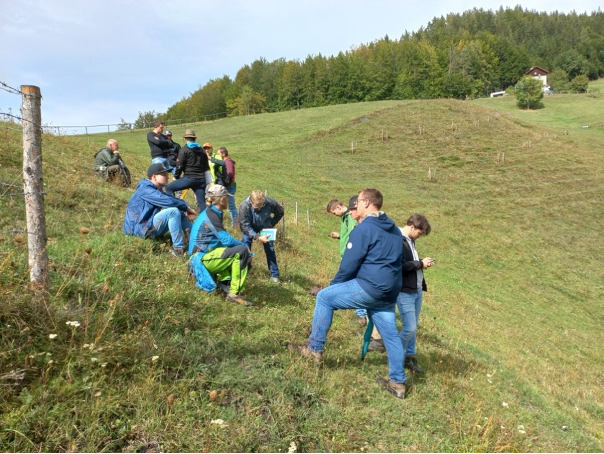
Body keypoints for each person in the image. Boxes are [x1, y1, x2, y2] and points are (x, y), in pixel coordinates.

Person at [288, 188, 409, 399]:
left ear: (367, 203)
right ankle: (398, 383)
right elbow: (399, 261)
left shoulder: (364, 230)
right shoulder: (394, 230)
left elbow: (349, 265)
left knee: (324, 297)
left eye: (359, 200)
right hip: (389, 291)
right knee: (391, 336)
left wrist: (332, 287)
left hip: (369, 287)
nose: (356, 204)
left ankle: (314, 350)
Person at [188, 185, 254, 306]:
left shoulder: (214, 212)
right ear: (222, 199)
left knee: (239, 252)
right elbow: (226, 240)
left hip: (206, 255)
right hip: (199, 260)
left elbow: (222, 240)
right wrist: (244, 246)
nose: (229, 200)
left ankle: (226, 284)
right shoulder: (211, 215)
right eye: (227, 198)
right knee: (242, 251)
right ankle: (234, 293)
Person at [123, 163, 196, 257]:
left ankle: (195, 242)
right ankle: (178, 250)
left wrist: (185, 207)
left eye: (167, 174)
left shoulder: (156, 189)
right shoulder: (145, 189)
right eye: (164, 174)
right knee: (173, 211)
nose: (167, 176)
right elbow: (167, 201)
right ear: (154, 177)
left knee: (180, 210)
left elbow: (170, 198)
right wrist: (186, 207)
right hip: (138, 229)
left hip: (147, 224)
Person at [397, 213, 434, 374]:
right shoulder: (397, 239)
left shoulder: (410, 240)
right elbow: (399, 265)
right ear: (412, 227)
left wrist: (421, 263)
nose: (419, 236)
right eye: (419, 233)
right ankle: (395, 354)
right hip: (404, 291)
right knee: (409, 328)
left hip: (417, 290)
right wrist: (420, 263)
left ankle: (409, 357)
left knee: (414, 326)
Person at [326, 196, 368, 325]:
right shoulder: (345, 218)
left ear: (338, 207)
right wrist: (339, 236)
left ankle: (362, 314)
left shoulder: (351, 217)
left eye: (334, 213)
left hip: (352, 257)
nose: (335, 215)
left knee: (356, 283)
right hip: (348, 255)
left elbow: (354, 236)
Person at [238, 190, 284, 284]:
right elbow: (244, 226)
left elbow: (280, 212)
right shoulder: (244, 206)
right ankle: (245, 269)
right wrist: (257, 237)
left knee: (270, 249)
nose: (259, 208)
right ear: (251, 202)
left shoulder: (270, 202)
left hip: (265, 228)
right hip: (249, 228)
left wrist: (271, 223)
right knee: (245, 247)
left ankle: (274, 275)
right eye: (256, 207)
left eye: (261, 206)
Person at [164, 129, 212, 210]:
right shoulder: (202, 150)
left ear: (185, 139)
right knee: (202, 203)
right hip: (201, 180)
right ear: (194, 139)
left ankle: (173, 210)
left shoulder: (184, 150)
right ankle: (205, 221)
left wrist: (176, 176)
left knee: (169, 188)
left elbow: (179, 165)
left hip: (189, 178)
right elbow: (206, 166)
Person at [211, 147, 237, 226]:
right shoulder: (225, 162)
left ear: (223, 154)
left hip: (229, 186)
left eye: (218, 154)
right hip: (228, 185)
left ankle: (236, 225)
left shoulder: (228, 162)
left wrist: (226, 181)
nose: (218, 155)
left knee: (231, 206)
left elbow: (230, 173)